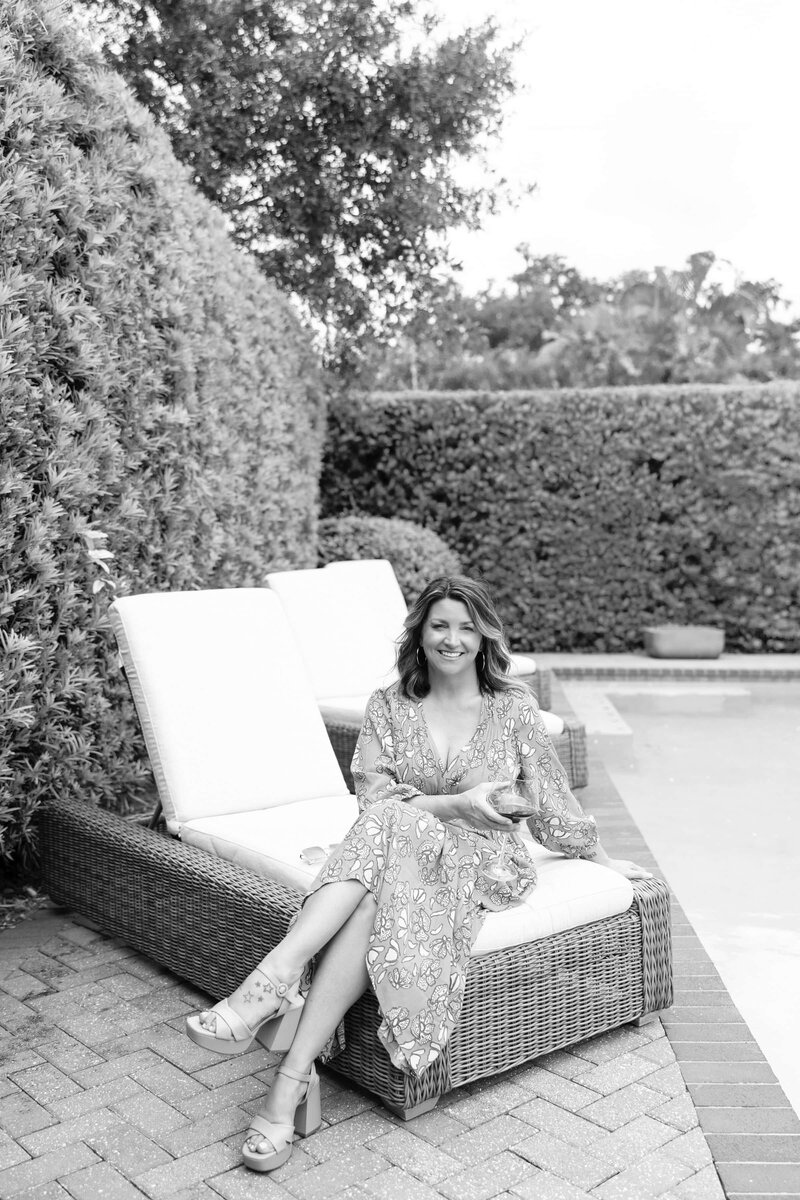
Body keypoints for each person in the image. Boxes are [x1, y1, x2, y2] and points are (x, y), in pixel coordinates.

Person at [185, 575, 651, 1172]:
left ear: (484, 636)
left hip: (483, 860)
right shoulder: (388, 707)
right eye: (439, 625)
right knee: (382, 875)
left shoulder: (513, 711)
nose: (452, 639)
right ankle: (289, 1081)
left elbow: (553, 803)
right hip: (399, 851)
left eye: (466, 626)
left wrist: (604, 861)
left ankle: (268, 988)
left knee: (392, 828)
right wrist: (452, 804)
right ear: (420, 633)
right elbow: (374, 800)